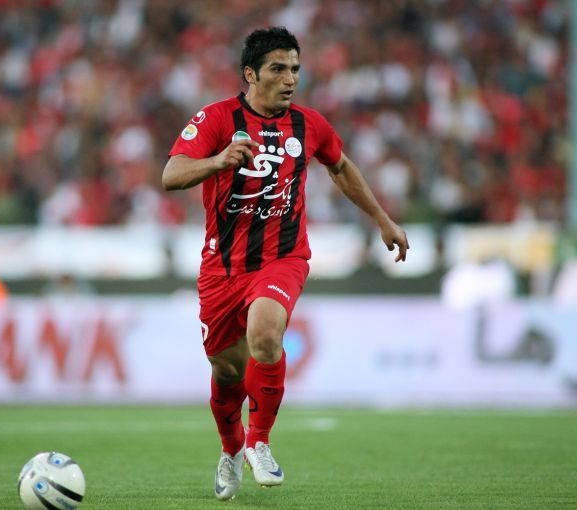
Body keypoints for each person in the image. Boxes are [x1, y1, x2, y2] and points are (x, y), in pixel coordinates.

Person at [162, 26, 409, 501]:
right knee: (227, 372)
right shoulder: (216, 118)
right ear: (250, 74)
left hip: (284, 257)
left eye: (295, 68)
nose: (290, 78)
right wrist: (218, 161)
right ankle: (231, 449)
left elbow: (341, 167)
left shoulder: (309, 125)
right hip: (222, 269)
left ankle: (260, 442)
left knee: (266, 333)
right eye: (278, 68)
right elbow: (171, 174)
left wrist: (382, 218)